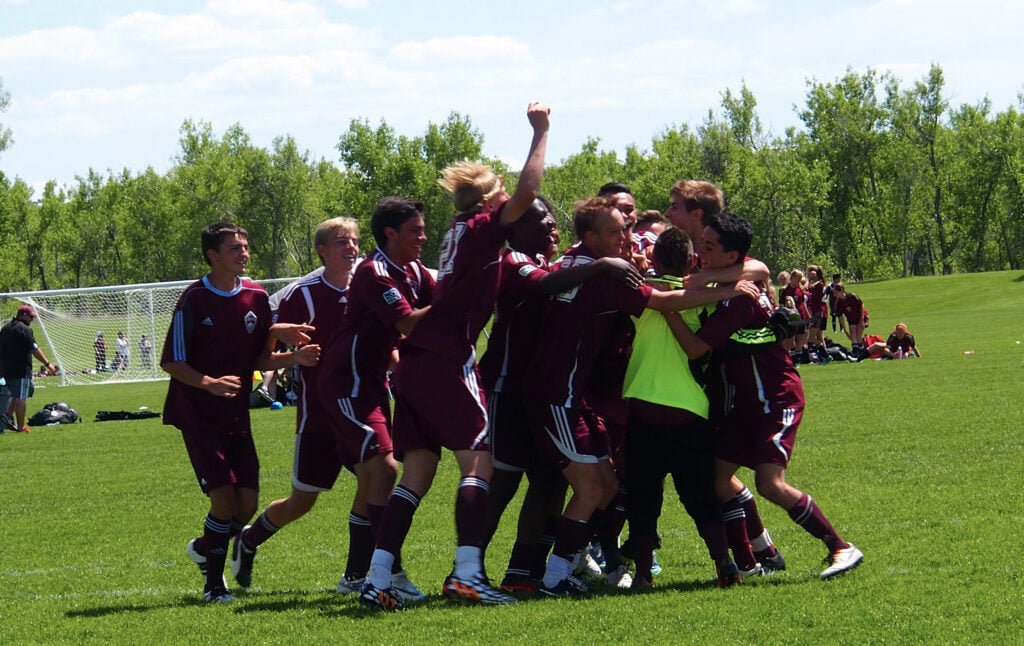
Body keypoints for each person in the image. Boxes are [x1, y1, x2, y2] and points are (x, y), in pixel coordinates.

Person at [359, 102, 551, 610]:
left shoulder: (457, 234)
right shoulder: (483, 228)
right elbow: (529, 191)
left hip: (419, 363)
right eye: (501, 194)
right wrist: (541, 131)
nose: (511, 199)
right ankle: (467, 572)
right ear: (488, 203)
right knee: (479, 462)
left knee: (418, 472)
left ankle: (377, 576)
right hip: (446, 359)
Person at [524, 197, 759, 597]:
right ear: (590, 235)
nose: (625, 238)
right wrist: (732, 291)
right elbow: (669, 303)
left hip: (612, 404)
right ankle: (555, 576)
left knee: (625, 493)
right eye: (616, 231)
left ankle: (619, 568)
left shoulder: (591, 268)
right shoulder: (618, 277)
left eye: (626, 230)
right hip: (588, 398)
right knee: (626, 491)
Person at [229, 215, 425, 598]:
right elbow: (260, 348)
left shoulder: (373, 284)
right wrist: (293, 355)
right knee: (303, 500)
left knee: (377, 475)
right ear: (321, 250)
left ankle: (358, 575)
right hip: (319, 412)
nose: (351, 247)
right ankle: (249, 540)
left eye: (354, 240)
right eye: (341, 241)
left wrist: (401, 372)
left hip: (366, 403)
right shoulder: (299, 293)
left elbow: (391, 339)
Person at [664, 212, 864, 581]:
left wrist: (666, 310)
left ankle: (840, 546)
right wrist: (705, 276)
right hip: (746, 404)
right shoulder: (733, 280)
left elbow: (694, 348)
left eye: (708, 248)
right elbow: (755, 267)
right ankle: (757, 558)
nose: (700, 253)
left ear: (732, 256)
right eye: (701, 245)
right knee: (718, 478)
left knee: (770, 483)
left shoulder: (740, 300)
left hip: (775, 398)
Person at [477, 196, 641, 594]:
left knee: (552, 482)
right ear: (515, 228)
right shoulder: (514, 260)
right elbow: (546, 284)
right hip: (507, 386)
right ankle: (468, 567)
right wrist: (602, 265)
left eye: (553, 220)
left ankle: (527, 571)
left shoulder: (562, 265)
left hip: (545, 389)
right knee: (502, 483)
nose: (551, 226)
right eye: (540, 220)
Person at [162, 221, 321, 603]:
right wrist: (209, 383)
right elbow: (172, 361)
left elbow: (261, 355)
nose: (244, 253)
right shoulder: (193, 299)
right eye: (235, 248)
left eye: (245, 246)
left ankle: (205, 548)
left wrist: (293, 355)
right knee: (224, 499)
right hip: (197, 413)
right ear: (213, 255)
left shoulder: (254, 294)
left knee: (247, 503)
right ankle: (214, 586)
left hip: (236, 416)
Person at [622, 226, 754, 589]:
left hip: (643, 406)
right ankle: (724, 564)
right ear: (692, 262)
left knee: (643, 498)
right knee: (700, 496)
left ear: (654, 258)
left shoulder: (642, 293)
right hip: (689, 411)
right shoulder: (702, 296)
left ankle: (644, 575)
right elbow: (755, 271)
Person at [0, 305, 58, 433]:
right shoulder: (24, 329)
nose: (32, 320)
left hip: (5, 370)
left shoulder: (5, 329)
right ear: (23, 315)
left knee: (14, 395)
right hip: (20, 369)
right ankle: (21, 427)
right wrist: (48, 364)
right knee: (21, 396)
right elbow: (35, 349)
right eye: (30, 317)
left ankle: (7, 417)